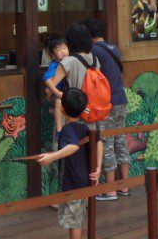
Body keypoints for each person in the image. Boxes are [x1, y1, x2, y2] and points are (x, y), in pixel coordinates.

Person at [37, 88, 103, 239]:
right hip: (83, 181)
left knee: (74, 223)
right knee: (77, 218)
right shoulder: (84, 128)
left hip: (72, 183)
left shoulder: (68, 130)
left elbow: (73, 146)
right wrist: (98, 167)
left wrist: (52, 157)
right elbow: (99, 143)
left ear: (62, 108)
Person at [83, 18, 131, 200]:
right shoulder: (113, 48)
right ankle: (125, 185)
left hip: (106, 103)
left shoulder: (93, 51)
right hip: (121, 100)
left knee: (107, 144)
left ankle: (110, 189)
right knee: (121, 141)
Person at [49, 23, 102, 131]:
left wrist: (49, 95)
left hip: (71, 115)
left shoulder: (68, 61)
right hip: (90, 112)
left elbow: (51, 87)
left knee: (68, 143)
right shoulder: (95, 59)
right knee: (90, 144)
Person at [42, 34, 70, 137]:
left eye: (64, 48)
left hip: (65, 93)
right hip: (56, 93)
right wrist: (56, 92)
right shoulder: (54, 65)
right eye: (58, 50)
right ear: (53, 54)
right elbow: (47, 79)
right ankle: (59, 130)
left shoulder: (69, 61)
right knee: (59, 101)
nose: (63, 51)